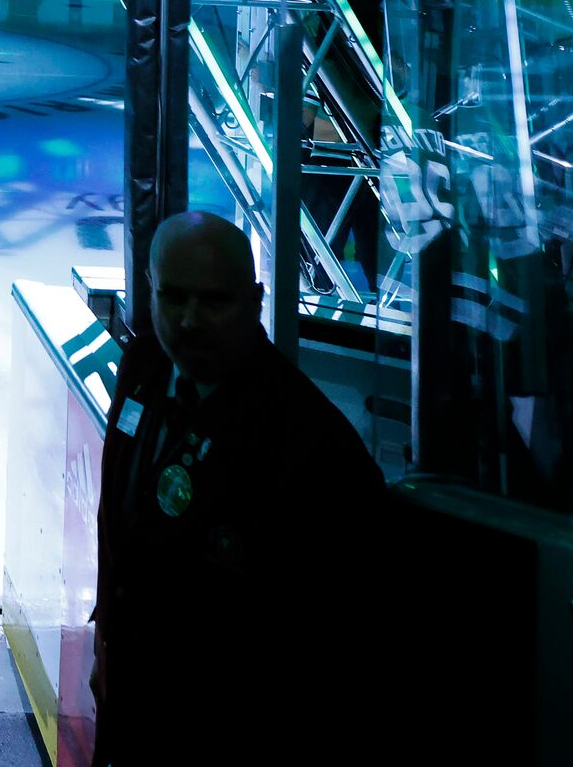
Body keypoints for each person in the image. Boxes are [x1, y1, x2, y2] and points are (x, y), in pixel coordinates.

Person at [91, 212, 383, 762]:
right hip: (133, 699)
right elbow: (118, 514)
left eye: (213, 302)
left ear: (254, 300)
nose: (189, 320)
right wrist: (106, 637)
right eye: (173, 298)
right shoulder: (143, 366)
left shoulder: (310, 444)